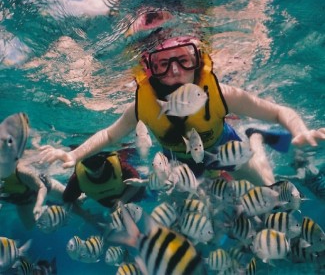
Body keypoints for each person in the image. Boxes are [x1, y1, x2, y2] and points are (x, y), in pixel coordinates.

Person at [39, 34, 325, 186]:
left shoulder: (222, 94)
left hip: (225, 146)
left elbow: (278, 112)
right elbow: (110, 135)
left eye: (184, 60)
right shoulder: (142, 105)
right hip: (177, 160)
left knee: (267, 186)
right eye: (163, 64)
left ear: (197, 61)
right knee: (176, 208)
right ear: (149, 69)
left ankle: (255, 140)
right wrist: (73, 154)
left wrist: (299, 130)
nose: (175, 71)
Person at [62, 149, 145, 209]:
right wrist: (88, 217)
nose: (95, 168)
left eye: (99, 161)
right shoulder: (77, 178)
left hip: (135, 196)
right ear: (82, 163)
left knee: (148, 194)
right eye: (89, 163)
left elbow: (137, 182)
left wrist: (123, 200)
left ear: (105, 159)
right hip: (113, 208)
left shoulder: (118, 165)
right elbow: (67, 200)